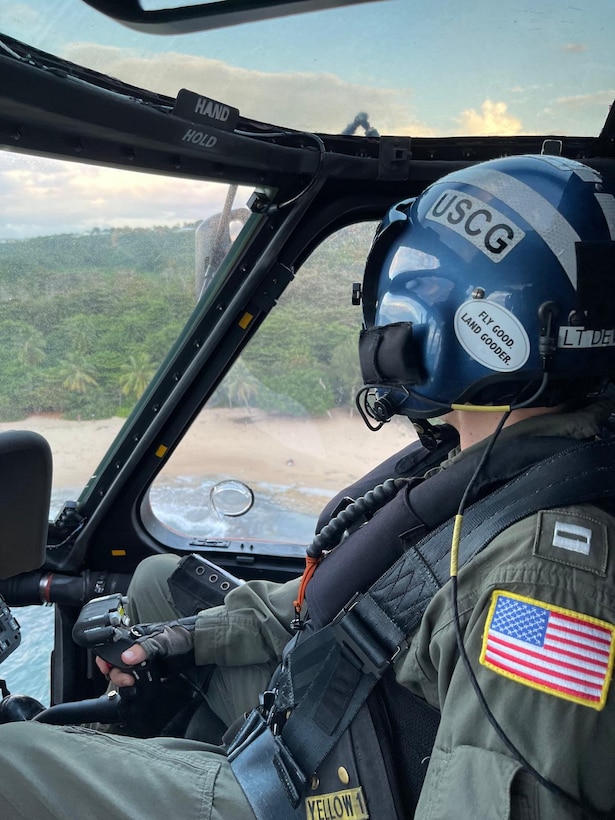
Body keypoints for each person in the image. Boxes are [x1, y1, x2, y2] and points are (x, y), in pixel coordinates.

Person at [1, 153, 615, 819]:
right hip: (343, 724)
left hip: (338, 789)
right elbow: (346, 603)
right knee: (155, 583)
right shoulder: (482, 464)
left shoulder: (547, 578)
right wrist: (186, 634)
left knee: (12, 759)